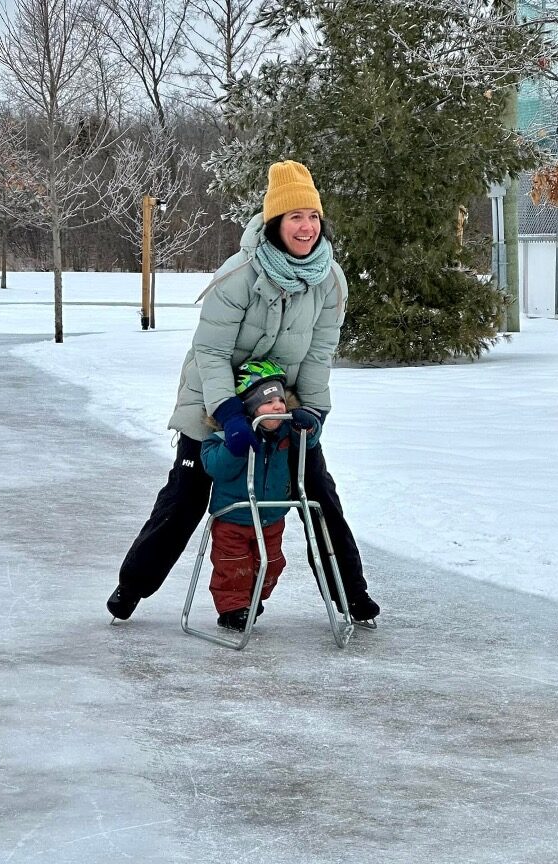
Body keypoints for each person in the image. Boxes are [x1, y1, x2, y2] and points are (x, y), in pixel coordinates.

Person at [108, 159, 380, 624]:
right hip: (213, 402)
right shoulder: (239, 275)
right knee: (186, 497)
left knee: (316, 489)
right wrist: (229, 413)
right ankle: (132, 587)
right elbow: (210, 351)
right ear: (275, 222)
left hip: (278, 406)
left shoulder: (330, 279)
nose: (307, 227)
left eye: (313, 217)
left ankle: (352, 596)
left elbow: (319, 354)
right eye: (296, 216)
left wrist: (312, 411)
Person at [201, 360, 322, 631]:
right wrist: (236, 445)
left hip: (271, 518)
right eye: (268, 403)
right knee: (233, 569)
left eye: (281, 400)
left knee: (272, 565)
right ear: (249, 407)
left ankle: (253, 600)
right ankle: (233, 610)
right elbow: (215, 467)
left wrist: (309, 427)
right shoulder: (223, 437)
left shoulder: (285, 434)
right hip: (233, 518)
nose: (278, 406)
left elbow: (310, 442)